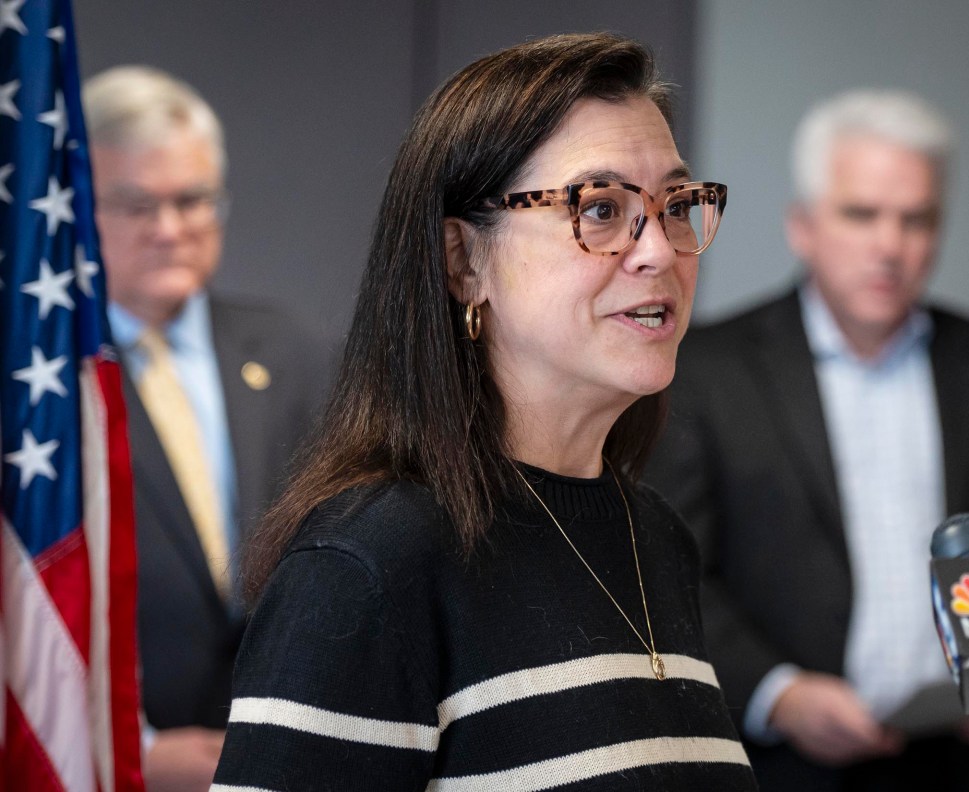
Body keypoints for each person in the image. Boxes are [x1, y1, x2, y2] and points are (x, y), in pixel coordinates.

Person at [210, 33, 754, 790]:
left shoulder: (655, 537)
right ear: (464, 262)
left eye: (674, 207)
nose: (658, 251)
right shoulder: (368, 567)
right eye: (600, 209)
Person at [645, 89, 969, 791]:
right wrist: (778, 694)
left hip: (966, 762)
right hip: (782, 768)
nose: (890, 245)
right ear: (803, 225)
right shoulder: (703, 370)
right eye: (862, 214)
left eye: (916, 219)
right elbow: (670, 572)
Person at [84, 67, 330, 791]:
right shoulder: (31, 384)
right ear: (75, 208)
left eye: (191, 200)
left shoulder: (298, 353)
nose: (169, 229)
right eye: (134, 204)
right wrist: (131, 748)